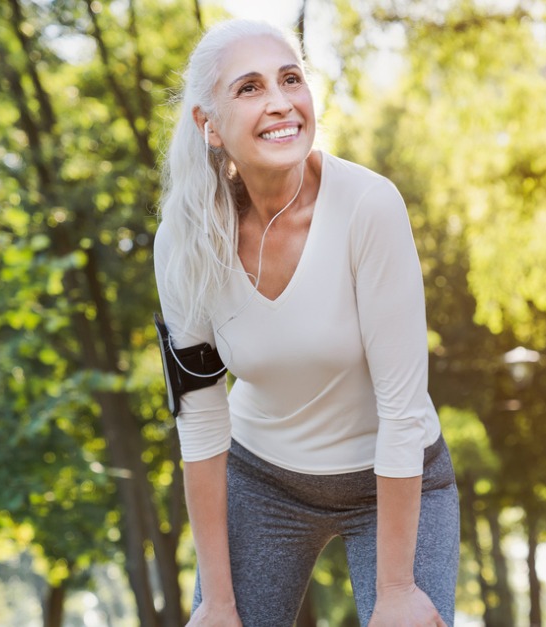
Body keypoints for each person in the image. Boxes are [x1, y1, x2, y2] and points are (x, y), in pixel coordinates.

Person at [152, 18, 458, 627]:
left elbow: (402, 408)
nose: (280, 102)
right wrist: (216, 602)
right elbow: (202, 420)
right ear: (207, 125)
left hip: (397, 483)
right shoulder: (184, 243)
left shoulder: (368, 206)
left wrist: (396, 592)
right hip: (264, 481)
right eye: (250, 88)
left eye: (290, 79)